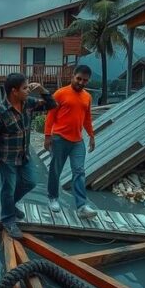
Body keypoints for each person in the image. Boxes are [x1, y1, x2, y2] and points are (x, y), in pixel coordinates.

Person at [0, 73, 57, 239]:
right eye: (25, 88)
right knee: (8, 189)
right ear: (14, 91)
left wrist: (42, 89)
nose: (28, 91)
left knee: (30, 182)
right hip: (7, 158)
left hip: (24, 155)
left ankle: (9, 205)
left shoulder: (29, 104)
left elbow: (52, 105)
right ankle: (8, 220)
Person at [44, 64, 97, 218]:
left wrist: (92, 136)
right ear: (73, 76)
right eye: (79, 78)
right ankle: (53, 198)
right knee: (55, 170)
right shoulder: (60, 94)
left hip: (78, 142)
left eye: (85, 80)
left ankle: (82, 207)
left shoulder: (87, 97)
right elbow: (50, 116)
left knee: (79, 171)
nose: (81, 82)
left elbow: (87, 118)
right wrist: (47, 137)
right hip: (59, 138)